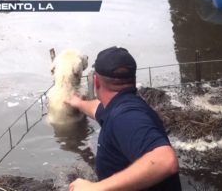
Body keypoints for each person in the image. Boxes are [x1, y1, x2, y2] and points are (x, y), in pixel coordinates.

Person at [65, 46, 182, 191]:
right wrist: (78, 103)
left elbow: (165, 160)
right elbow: (97, 109)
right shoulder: (119, 106)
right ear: (133, 80)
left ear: (96, 82)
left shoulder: (125, 115)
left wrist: (96, 188)